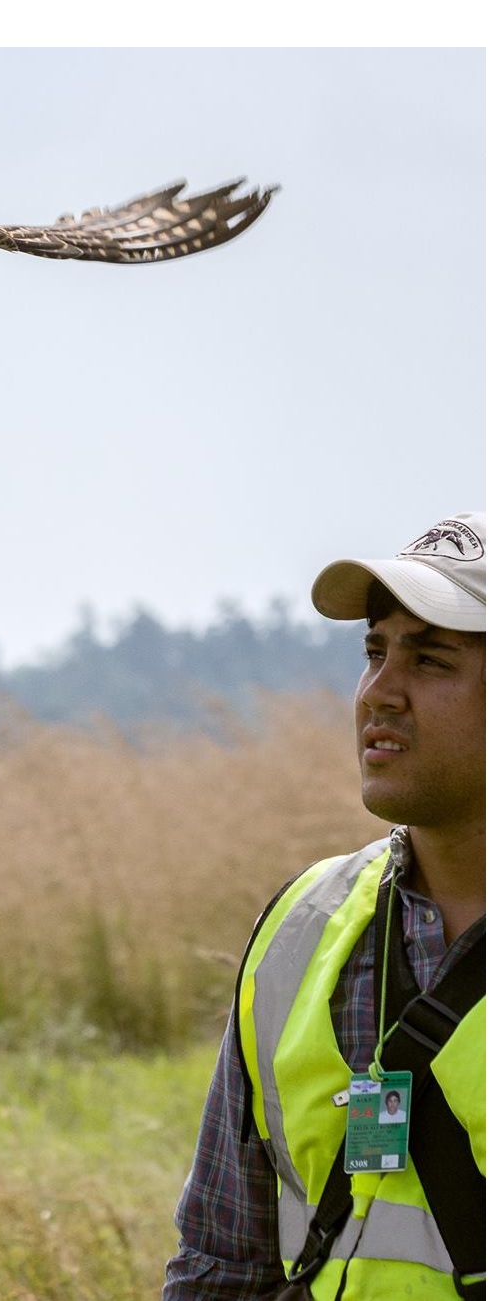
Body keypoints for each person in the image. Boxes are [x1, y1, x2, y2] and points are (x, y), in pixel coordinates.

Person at [165, 512, 486, 1300]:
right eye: (375, 653)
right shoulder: (300, 929)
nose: (380, 693)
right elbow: (221, 1261)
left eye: (431, 659)